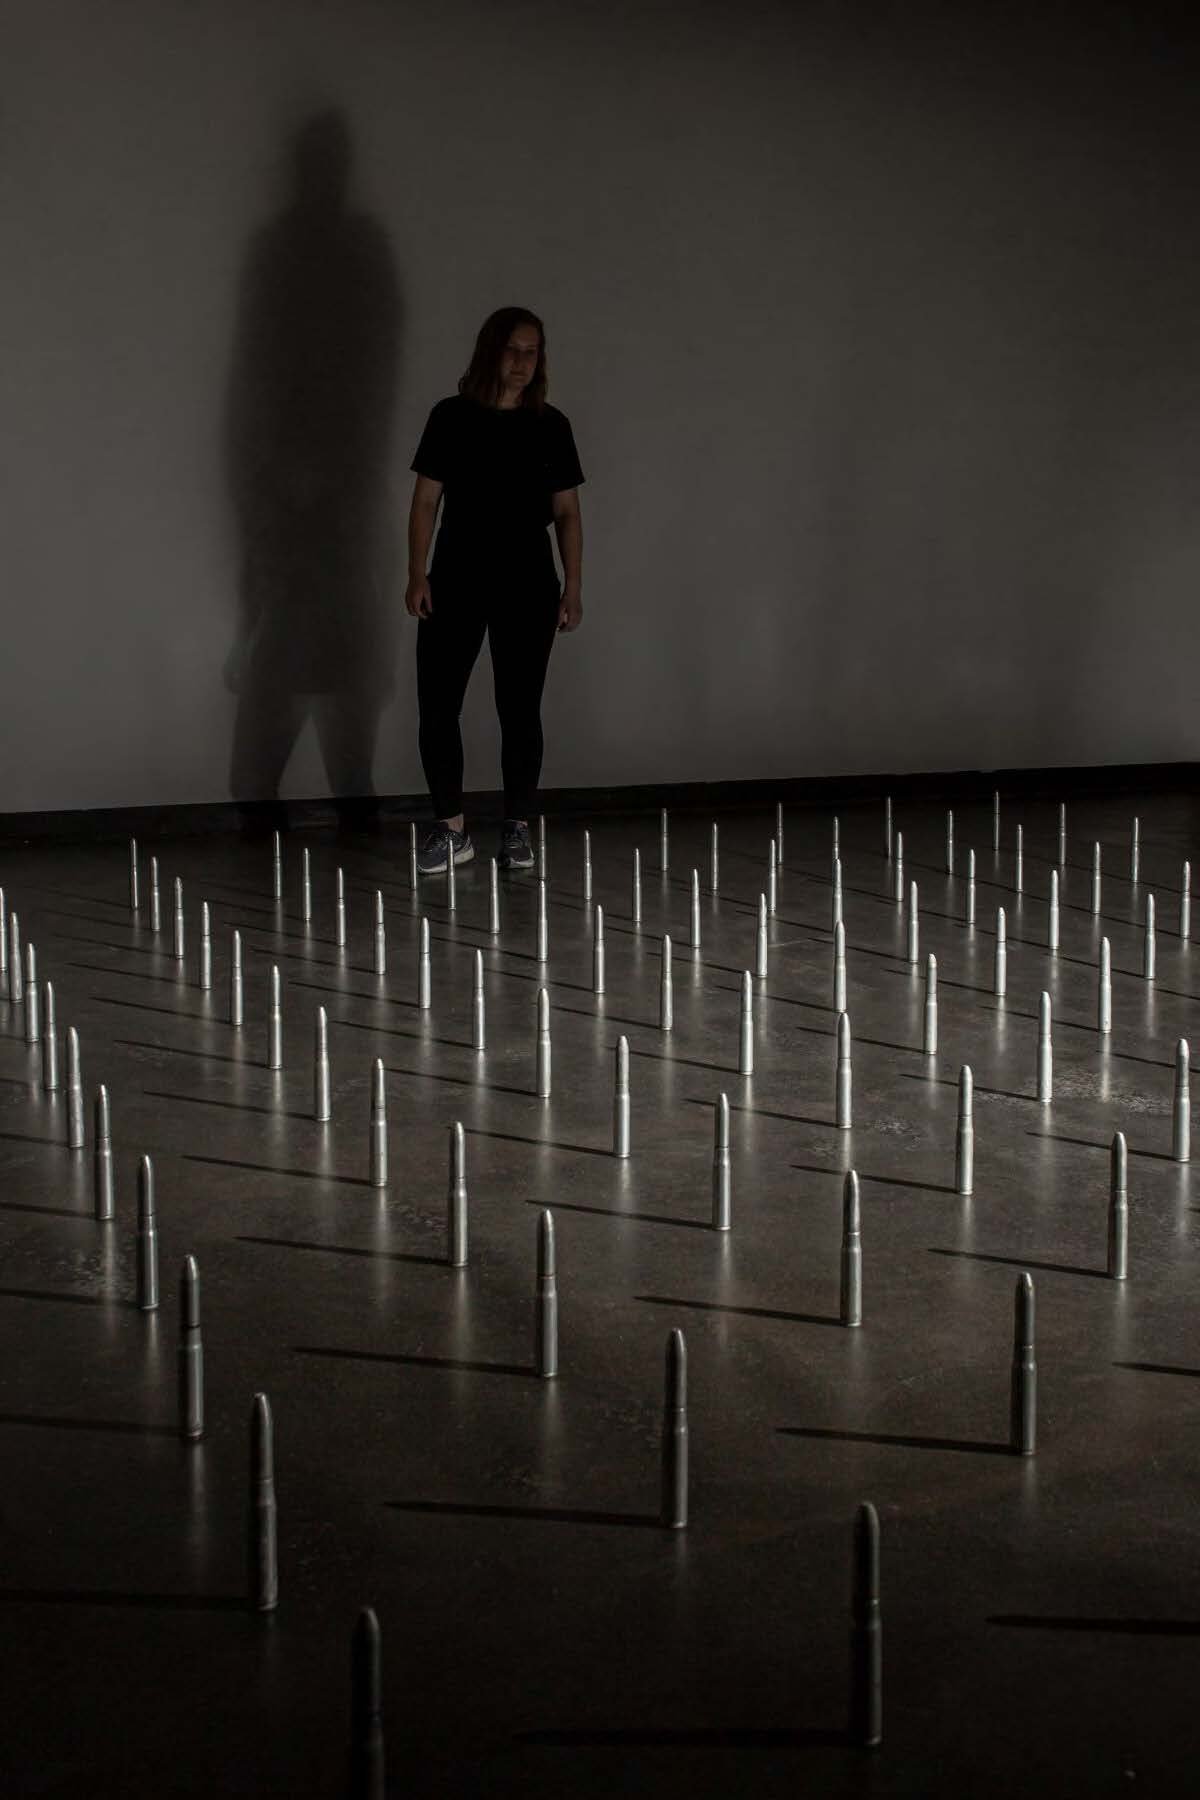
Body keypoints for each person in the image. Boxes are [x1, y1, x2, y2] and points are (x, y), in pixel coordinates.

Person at [405, 307, 584, 872]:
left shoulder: (551, 425)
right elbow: (426, 502)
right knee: (438, 705)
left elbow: (567, 513)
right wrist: (416, 573)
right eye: (512, 350)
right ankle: (450, 829)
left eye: (531, 352)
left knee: (520, 709)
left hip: (528, 584)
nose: (521, 363)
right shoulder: (451, 417)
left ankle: (517, 826)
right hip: (456, 578)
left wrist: (573, 585)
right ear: (491, 352)